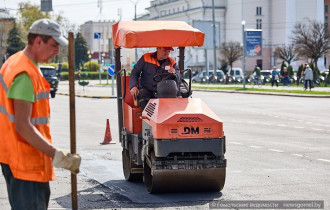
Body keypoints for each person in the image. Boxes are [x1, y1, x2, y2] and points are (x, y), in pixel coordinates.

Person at [0, 19, 81, 209]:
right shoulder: (25, 74)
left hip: (14, 157)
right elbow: (23, 125)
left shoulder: (15, 61)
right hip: (26, 164)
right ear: (38, 41)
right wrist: (59, 156)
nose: (57, 52)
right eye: (53, 46)